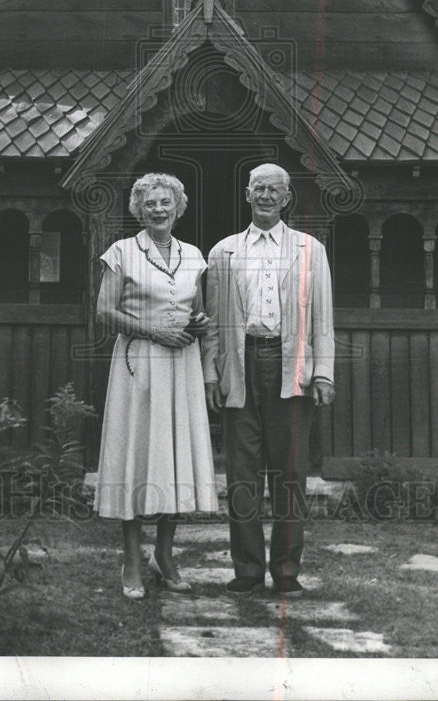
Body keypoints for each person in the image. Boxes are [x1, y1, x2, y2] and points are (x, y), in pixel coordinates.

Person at [202, 164, 335, 599]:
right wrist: (211, 375)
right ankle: (246, 570)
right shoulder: (223, 252)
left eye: (273, 189)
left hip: (290, 364)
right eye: (258, 188)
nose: (265, 195)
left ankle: (285, 571)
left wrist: (323, 373)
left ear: (286, 197)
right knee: (242, 473)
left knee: (291, 472)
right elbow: (215, 324)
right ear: (247, 194)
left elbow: (322, 318)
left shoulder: (310, 250)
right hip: (240, 367)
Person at [94, 173, 217, 600]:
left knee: (173, 456)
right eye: (150, 204)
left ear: (178, 208)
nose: (159, 209)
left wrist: (199, 323)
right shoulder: (122, 252)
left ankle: (164, 555)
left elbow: (197, 310)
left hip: (181, 364)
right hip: (138, 365)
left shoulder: (195, 256)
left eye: (166, 202)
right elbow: (104, 312)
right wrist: (152, 331)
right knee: (137, 455)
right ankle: (131, 558)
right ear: (139, 210)